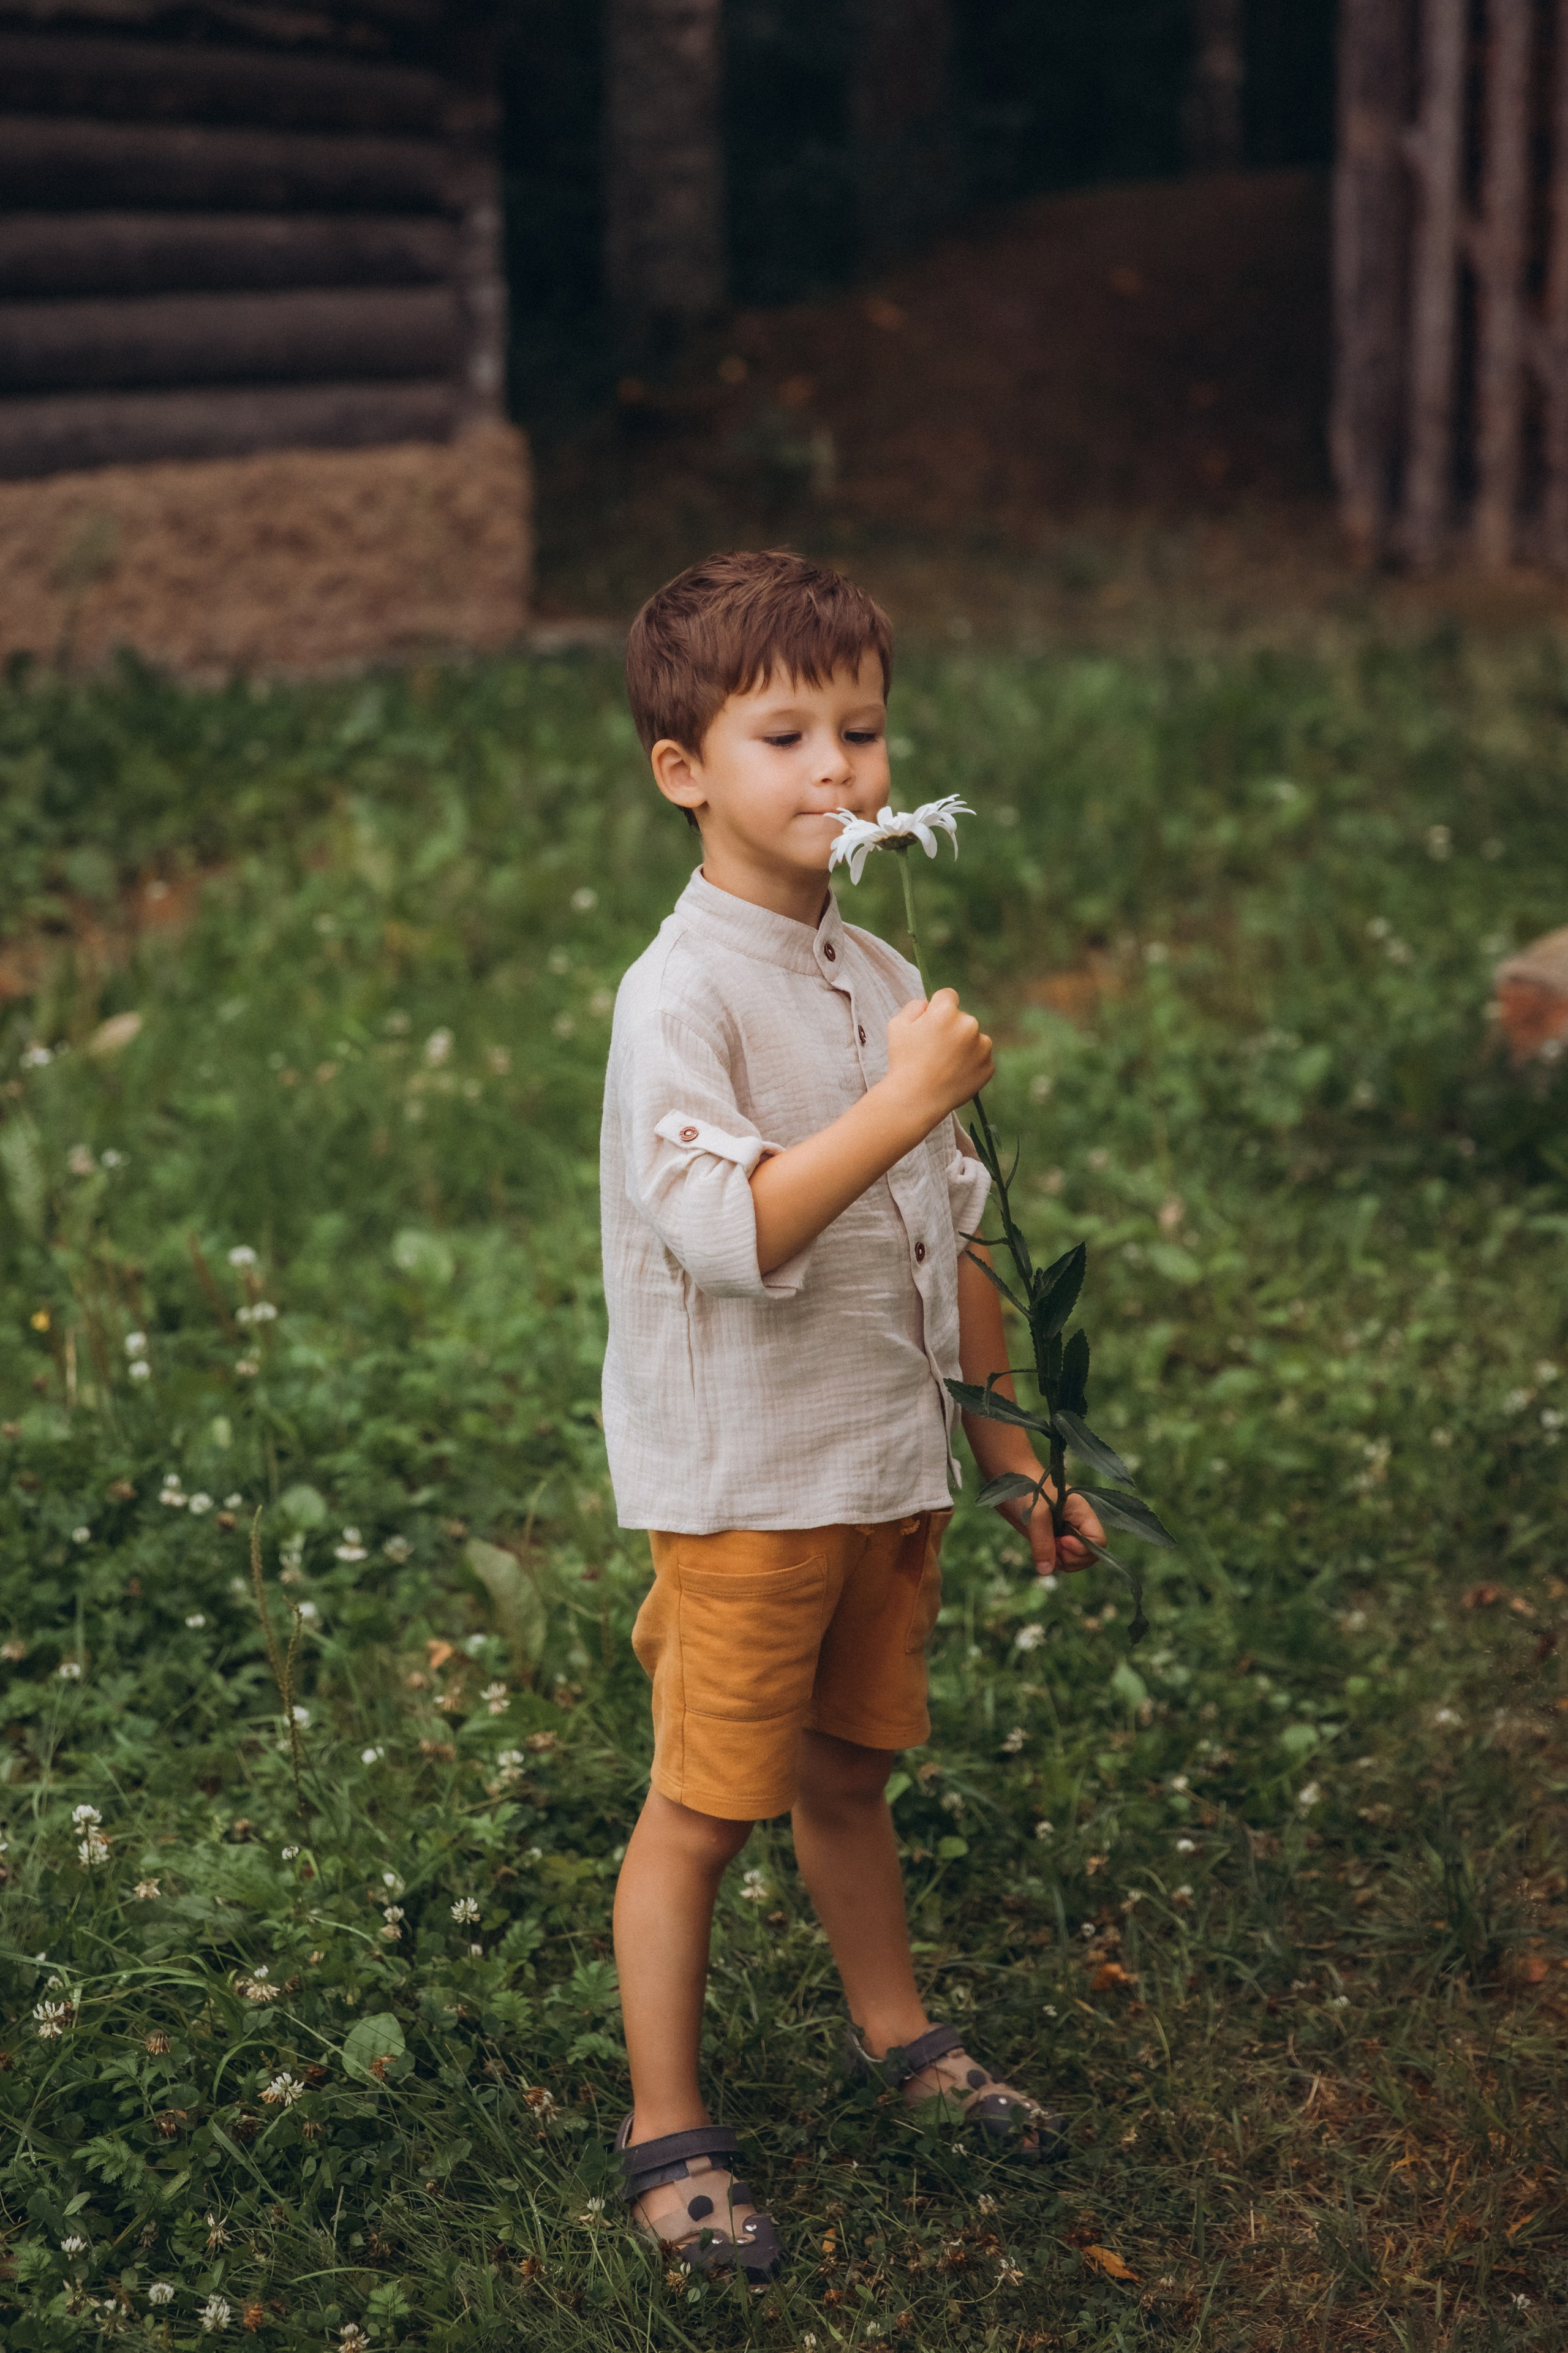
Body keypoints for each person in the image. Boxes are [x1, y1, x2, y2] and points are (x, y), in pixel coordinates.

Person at [600, 549, 1103, 2282]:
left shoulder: (881, 974)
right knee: (706, 1803)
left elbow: (948, 1236)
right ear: (686, 770)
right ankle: (666, 2119)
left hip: (886, 1466)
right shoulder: (680, 1000)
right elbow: (738, 1233)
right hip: (750, 1480)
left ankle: (896, 2031)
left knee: (848, 1770)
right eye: (785, 734)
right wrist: (901, 1107)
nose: (839, 772)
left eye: (865, 730)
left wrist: (1014, 1460)